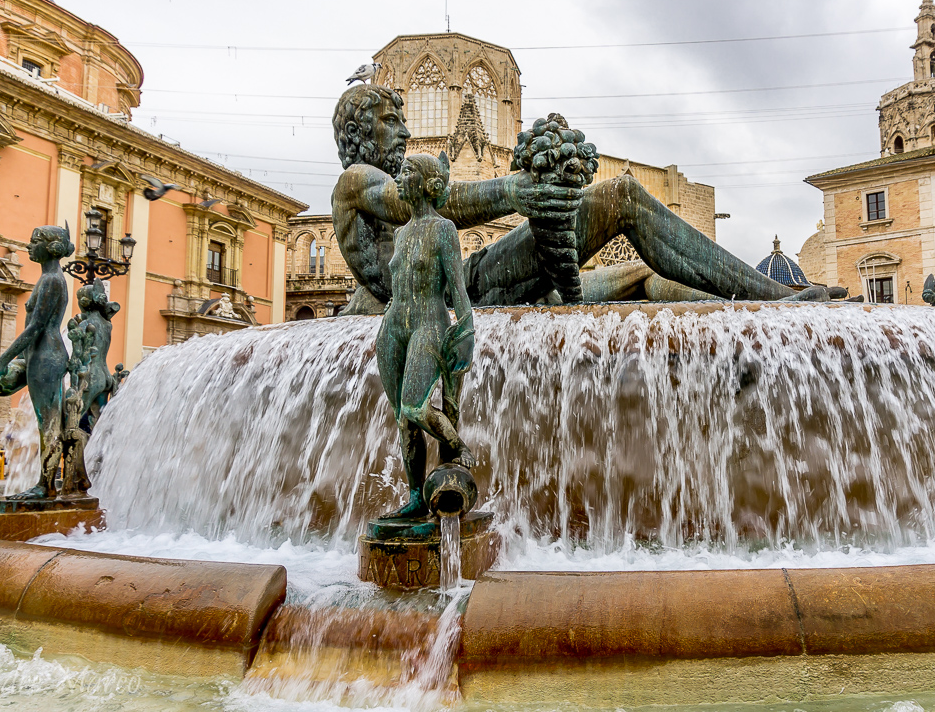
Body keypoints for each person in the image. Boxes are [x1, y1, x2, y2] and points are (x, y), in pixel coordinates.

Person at [331, 83, 832, 311]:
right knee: (621, 197)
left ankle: (760, 307)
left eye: (402, 119)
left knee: (639, 274)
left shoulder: (375, 188)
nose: (403, 130)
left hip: (482, 287)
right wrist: (511, 189)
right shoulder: (356, 180)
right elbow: (421, 205)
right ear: (357, 131)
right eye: (390, 121)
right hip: (472, 290)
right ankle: (776, 301)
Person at [375, 152, 476, 520]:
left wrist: (465, 330)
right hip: (393, 327)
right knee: (403, 420)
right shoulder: (401, 233)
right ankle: (417, 498)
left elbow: (458, 287)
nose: (398, 179)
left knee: (414, 407)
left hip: (429, 323)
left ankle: (457, 445)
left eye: (405, 173)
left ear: (427, 183)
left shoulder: (444, 229)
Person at [0, 225, 73, 500]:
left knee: (49, 424)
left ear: (52, 247)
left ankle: (45, 486)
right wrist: (18, 363)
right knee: (47, 421)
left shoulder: (52, 280)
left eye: (35, 242)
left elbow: (35, 328)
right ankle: (45, 483)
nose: (29, 246)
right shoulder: (48, 278)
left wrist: (2, 360)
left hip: (47, 354)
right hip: (40, 354)